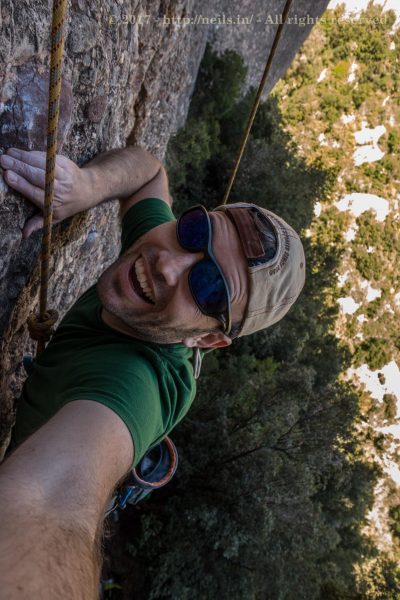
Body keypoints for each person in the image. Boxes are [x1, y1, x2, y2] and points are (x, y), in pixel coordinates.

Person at [0, 145, 305, 598]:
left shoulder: (133, 385)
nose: (168, 265)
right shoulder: (158, 248)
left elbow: (51, 504)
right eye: (195, 230)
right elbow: (148, 171)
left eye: (209, 288)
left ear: (207, 340)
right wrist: (86, 186)